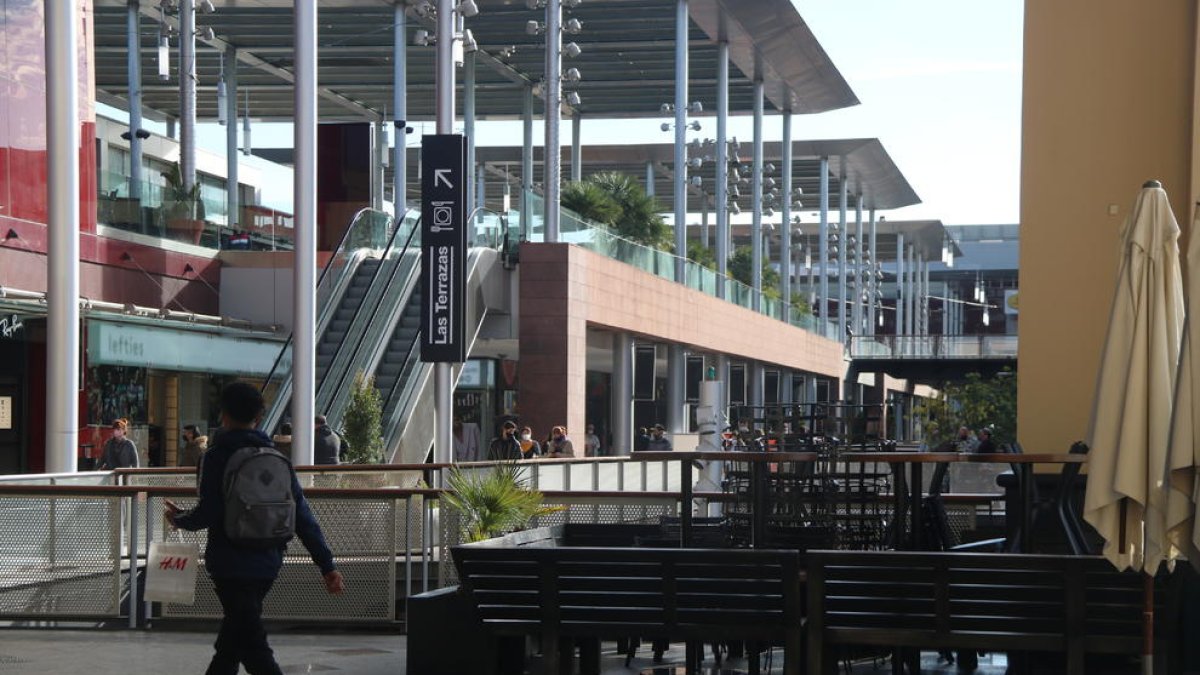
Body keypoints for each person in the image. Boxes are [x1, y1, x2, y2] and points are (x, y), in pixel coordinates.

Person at [165, 382, 344, 675]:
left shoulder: (215, 456)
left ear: (222, 415)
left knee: (252, 646)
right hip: (267, 562)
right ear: (259, 417)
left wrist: (180, 519)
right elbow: (302, 515)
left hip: (229, 564)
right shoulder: (276, 458)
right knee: (234, 643)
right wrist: (326, 564)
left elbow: (210, 512)